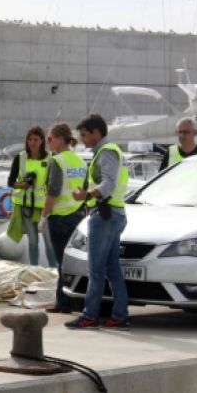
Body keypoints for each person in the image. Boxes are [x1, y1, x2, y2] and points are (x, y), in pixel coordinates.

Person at [68, 114, 130, 329]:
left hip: (105, 215)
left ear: (96, 133)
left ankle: (89, 315)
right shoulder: (108, 151)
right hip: (115, 213)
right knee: (112, 270)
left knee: (95, 270)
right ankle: (120, 316)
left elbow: (108, 184)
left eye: (84, 135)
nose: (83, 139)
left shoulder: (107, 152)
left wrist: (85, 195)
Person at [40, 123, 87, 314]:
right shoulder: (81, 162)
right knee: (76, 261)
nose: (48, 143)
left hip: (60, 218)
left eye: (49, 139)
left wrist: (44, 216)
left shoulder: (57, 161)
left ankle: (63, 302)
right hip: (77, 216)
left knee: (62, 262)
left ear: (60, 139)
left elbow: (53, 191)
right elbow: (84, 191)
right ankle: (77, 299)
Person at [6, 126, 55, 266]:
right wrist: (23, 185)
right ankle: (33, 270)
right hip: (27, 207)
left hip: (45, 209)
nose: (32, 142)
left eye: (36, 139)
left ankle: (53, 273)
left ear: (42, 141)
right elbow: (10, 182)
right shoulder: (20, 158)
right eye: (30, 139)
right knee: (33, 242)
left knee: (49, 242)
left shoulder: (51, 159)